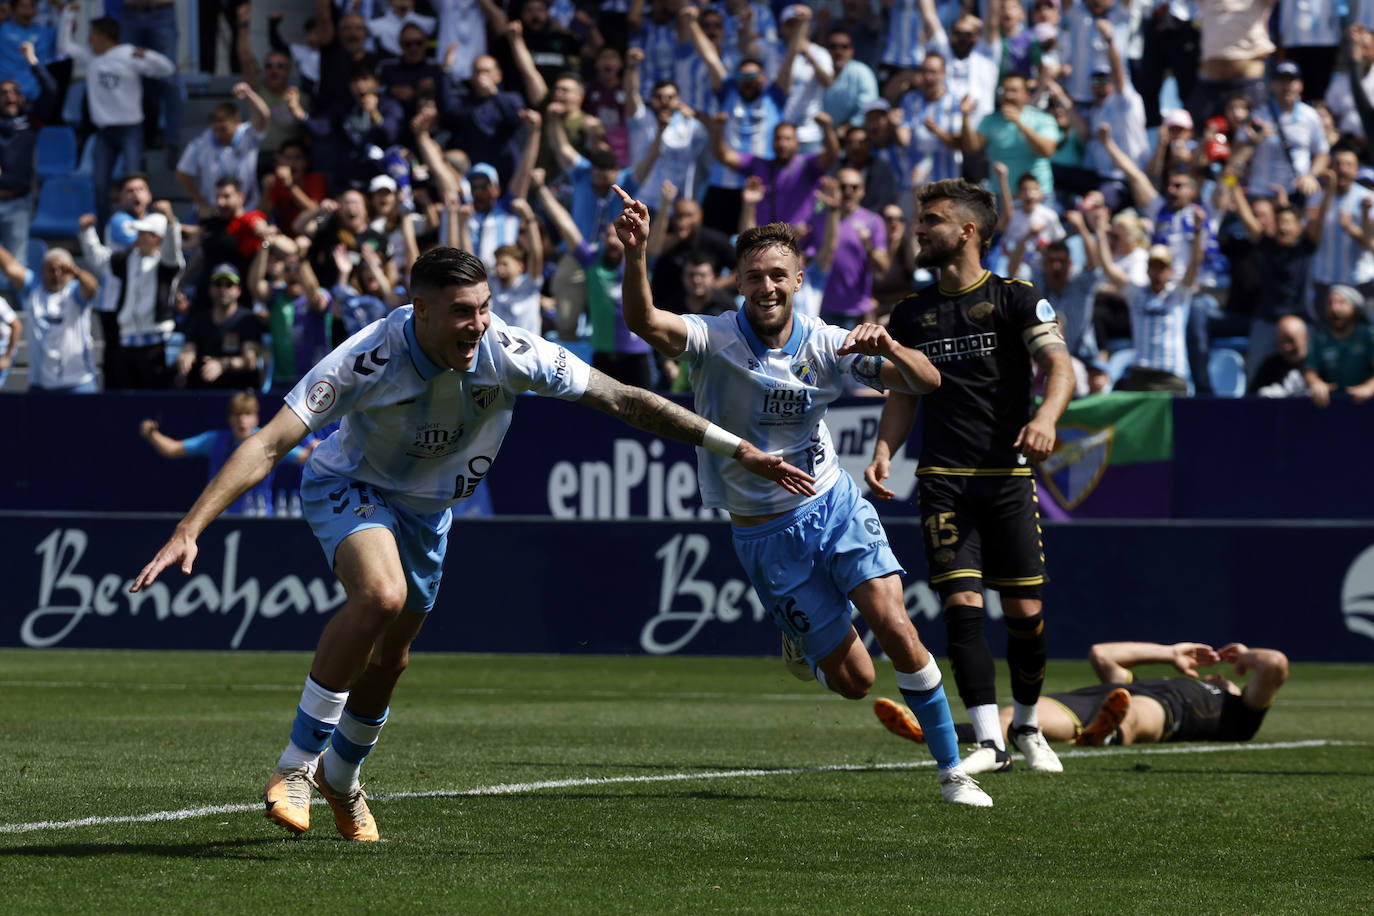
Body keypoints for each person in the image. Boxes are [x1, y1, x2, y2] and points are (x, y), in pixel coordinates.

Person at [130, 246, 815, 841]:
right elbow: (270, 440)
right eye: (461, 311)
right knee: (381, 594)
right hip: (351, 485)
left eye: (483, 307)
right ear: (419, 311)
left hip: (431, 512)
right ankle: (296, 767)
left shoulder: (509, 351)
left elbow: (623, 399)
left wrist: (735, 446)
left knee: (391, 660)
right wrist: (190, 527)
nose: (477, 324)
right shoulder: (370, 355)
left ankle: (344, 776)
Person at [615, 188, 992, 807]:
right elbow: (644, 323)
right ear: (738, 281)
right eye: (755, 276)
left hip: (833, 505)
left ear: (798, 279)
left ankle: (954, 772)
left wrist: (891, 346)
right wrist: (636, 256)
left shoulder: (827, 343)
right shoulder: (714, 337)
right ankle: (804, 643)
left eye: (777, 276)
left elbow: (929, 382)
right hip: (763, 534)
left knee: (896, 625)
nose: (766, 287)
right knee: (856, 681)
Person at [867, 178, 1075, 776]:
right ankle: (990, 741)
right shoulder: (911, 313)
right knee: (960, 606)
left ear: (967, 231)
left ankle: (1030, 723)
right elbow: (904, 392)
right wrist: (885, 450)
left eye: (930, 220)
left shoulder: (1014, 298)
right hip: (944, 478)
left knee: (1024, 615)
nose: (919, 230)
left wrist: (1046, 416)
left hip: (1007, 477)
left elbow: (1059, 365)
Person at [876, 641, 1290, 748]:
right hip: (1096, 701)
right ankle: (933, 734)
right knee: (1016, 715)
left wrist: (1245, 657)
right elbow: (1104, 654)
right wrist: (1170, 653)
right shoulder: (1163, 678)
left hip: (1154, 713)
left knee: (1139, 710)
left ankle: (1110, 731)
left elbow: (1275, 664)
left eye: (1226, 678)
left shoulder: (1240, 714)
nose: (1216, 677)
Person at [56, 10, 175, 226]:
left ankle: (143, 230)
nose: (89, 40)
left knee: (135, 184)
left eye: (91, 34)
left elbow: (167, 68)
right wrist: (67, 15)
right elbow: (65, 46)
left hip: (130, 130)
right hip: (104, 132)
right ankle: (104, 234)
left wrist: (147, 55)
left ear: (102, 36)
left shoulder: (129, 54)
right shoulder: (92, 57)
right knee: (100, 184)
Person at [139, 391, 316, 517]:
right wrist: (151, 435)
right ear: (229, 418)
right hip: (220, 519)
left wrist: (316, 449)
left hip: (260, 521)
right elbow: (173, 449)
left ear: (256, 418)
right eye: (237, 415)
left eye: (247, 414)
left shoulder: (270, 440)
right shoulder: (214, 440)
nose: (242, 420)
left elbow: (304, 457)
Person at [77, 201, 183, 390]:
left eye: (145, 234)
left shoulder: (167, 264)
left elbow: (172, 250)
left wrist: (171, 223)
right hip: (126, 341)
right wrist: (87, 233)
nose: (139, 238)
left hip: (157, 343)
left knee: (154, 399)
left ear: (157, 238)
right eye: (139, 233)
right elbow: (99, 259)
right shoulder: (126, 260)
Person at [0, 244, 99, 392]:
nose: (56, 274)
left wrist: (76, 271)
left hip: (78, 382)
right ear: (42, 270)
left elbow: (92, 287)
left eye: (62, 270)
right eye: (51, 269)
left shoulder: (76, 291)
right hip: (40, 384)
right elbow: (11, 267)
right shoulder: (34, 287)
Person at [1304, 285, 1374, 407]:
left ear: (1354, 308)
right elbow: (1310, 370)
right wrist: (1315, 383)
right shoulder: (1319, 338)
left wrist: (1369, 388)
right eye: (1330, 303)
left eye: (1341, 303)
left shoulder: (1367, 336)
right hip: (1330, 406)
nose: (1334, 309)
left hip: (1365, 406)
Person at [1249, 313, 1311, 397]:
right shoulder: (1270, 366)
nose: (1286, 347)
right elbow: (1253, 398)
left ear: (1305, 337)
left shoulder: (1319, 364)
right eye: (1282, 341)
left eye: (1291, 340)